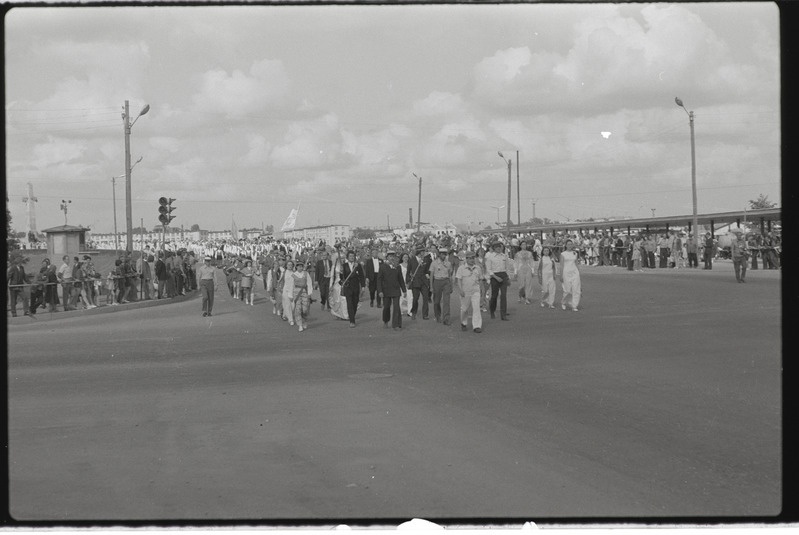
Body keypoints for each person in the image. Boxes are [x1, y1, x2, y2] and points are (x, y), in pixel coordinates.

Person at [455, 250, 484, 333]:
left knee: (476, 308)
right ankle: (463, 323)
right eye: (470, 258)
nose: (472, 260)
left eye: (473, 258)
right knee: (464, 309)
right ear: (466, 259)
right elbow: (459, 280)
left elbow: (481, 279)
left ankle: (477, 326)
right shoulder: (461, 268)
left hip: (475, 291)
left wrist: (482, 290)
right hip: (465, 291)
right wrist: (460, 290)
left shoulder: (478, 268)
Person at [377, 250, 407, 330]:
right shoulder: (382, 267)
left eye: (393, 256)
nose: (392, 258)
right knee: (386, 307)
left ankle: (396, 324)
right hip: (386, 290)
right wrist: (380, 291)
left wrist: (404, 290)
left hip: (396, 290)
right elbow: (379, 280)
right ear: (387, 258)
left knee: (397, 307)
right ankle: (385, 321)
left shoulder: (398, 267)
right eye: (390, 256)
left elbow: (400, 279)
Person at [485, 241, 510, 320]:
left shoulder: (504, 256)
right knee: (494, 296)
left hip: (503, 275)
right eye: (496, 247)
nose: (498, 248)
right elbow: (488, 269)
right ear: (494, 248)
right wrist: (495, 277)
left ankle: (503, 314)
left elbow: (507, 268)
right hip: (494, 276)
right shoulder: (490, 257)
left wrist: (508, 278)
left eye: (499, 247)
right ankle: (492, 310)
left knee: (503, 295)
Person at [340, 250, 365, 328]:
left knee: (355, 303)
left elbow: (361, 276)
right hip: (348, 286)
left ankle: (352, 315)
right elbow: (342, 278)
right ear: (347, 257)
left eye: (353, 256)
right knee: (349, 303)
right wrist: (341, 273)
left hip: (356, 286)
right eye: (350, 256)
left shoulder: (358, 265)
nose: (352, 257)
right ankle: (352, 321)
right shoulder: (344, 266)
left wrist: (363, 286)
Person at [430, 247, 454, 325]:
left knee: (446, 301)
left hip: (446, 281)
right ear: (439, 255)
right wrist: (431, 286)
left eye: (445, 254)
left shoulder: (448, 263)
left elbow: (450, 275)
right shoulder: (434, 263)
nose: (444, 256)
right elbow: (431, 276)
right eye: (443, 254)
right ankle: (437, 315)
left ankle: (446, 318)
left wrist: (451, 285)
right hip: (437, 281)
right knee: (437, 301)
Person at [288, 261, 314, 331]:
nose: (300, 267)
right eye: (298, 266)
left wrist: (309, 293)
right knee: (298, 309)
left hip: (305, 292)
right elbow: (291, 286)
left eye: (301, 266)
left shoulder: (306, 274)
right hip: (296, 293)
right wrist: (290, 295)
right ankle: (300, 324)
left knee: (305, 309)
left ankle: (305, 320)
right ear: (296, 267)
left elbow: (309, 283)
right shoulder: (293, 275)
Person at [407, 245, 431, 320]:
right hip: (415, 282)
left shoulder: (425, 260)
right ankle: (414, 312)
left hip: (424, 282)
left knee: (426, 298)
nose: (424, 253)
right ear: (419, 252)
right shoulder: (411, 260)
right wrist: (408, 281)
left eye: (424, 251)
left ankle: (425, 314)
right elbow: (408, 272)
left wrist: (428, 278)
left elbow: (427, 271)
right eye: (422, 252)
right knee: (415, 299)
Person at [559, 239, 582, 311]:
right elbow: (561, 265)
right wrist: (561, 275)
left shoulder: (575, 253)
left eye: (571, 244)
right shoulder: (563, 254)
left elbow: (576, 263)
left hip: (575, 273)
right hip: (566, 273)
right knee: (567, 290)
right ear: (565, 245)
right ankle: (564, 302)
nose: (570, 246)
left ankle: (574, 305)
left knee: (576, 289)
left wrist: (579, 272)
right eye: (568, 244)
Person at [281, 260, 296, 325]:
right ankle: (291, 319)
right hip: (285, 290)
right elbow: (280, 281)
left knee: (293, 306)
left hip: (292, 291)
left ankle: (284, 314)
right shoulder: (284, 272)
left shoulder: (294, 273)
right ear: (286, 265)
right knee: (287, 304)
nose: (290, 266)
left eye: (291, 265)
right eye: (288, 265)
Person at [398, 252, 412, 317]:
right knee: (401, 297)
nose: (406, 258)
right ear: (402, 258)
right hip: (402, 283)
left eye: (407, 257)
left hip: (409, 283)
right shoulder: (399, 266)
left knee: (410, 297)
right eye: (404, 257)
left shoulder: (410, 265)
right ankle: (400, 310)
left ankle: (410, 311)